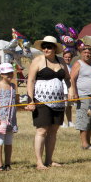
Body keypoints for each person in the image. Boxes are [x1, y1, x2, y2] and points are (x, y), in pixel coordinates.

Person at [26, 36, 74, 170]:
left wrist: (71, 91)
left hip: (58, 101)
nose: (46, 49)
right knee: (42, 130)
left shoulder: (61, 61)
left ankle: (49, 160)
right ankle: (39, 162)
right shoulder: (37, 61)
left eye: (49, 47)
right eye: (44, 47)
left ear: (54, 49)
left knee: (53, 131)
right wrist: (30, 100)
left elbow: (68, 79)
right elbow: (30, 81)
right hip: (41, 100)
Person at [0, 63, 19, 171]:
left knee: (9, 141)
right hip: (0, 117)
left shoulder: (13, 86)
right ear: (1, 74)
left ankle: (7, 164)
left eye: (11, 72)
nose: (9, 75)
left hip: (11, 118)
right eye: (6, 73)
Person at [69, 45, 91, 149]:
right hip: (83, 95)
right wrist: (75, 92)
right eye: (85, 52)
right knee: (84, 119)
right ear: (81, 54)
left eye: (89, 53)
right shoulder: (78, 64)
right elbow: (72, 79)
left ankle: (89, 142)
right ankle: (84, 143)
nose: (87, 54)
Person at [61, 50, 75, 128]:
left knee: (69, 106)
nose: (67, 59)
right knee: (63, 106)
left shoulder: (72, 66)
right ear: (63, 57)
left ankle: (70, 121)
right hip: (63, 89)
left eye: (69, 57)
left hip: (70, 89)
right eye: (66, 57)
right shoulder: (61, 66)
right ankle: (62, 122)